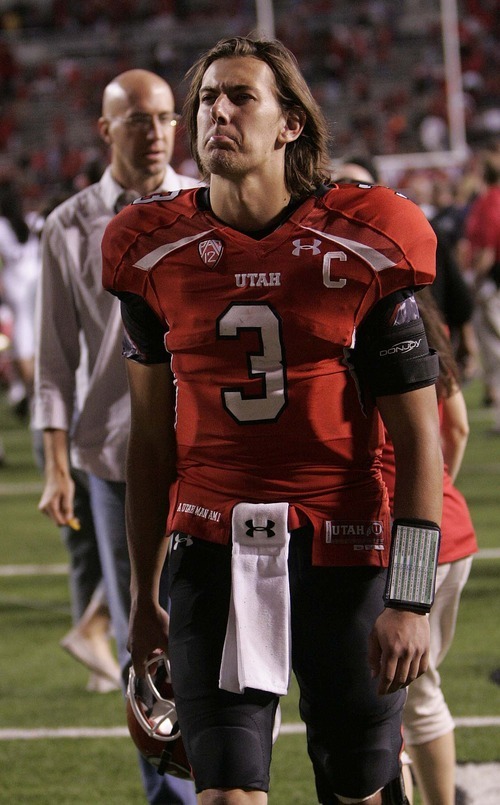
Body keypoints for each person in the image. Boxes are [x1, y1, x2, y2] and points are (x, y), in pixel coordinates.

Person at [102, 37, 443, 805]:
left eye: (240, 96)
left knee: (357, 786)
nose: (217, 111)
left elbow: (420, 440)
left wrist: (411, 598)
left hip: (342, 547)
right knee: (224, 790)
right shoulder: (152, 248)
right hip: (212, 541)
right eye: (207, 99)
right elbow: (151, 443)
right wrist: (142, 594)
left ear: (290, 123)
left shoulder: (363, 239)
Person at [33, 68, 199, 804]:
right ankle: (171, 794)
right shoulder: (66, 226)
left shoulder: (205, 205)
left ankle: (218, 776)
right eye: (139, 119)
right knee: (146, 634)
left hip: (202, 453)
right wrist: (53, 462)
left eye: (166, 117)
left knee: (209, 622)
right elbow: (54, 357)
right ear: (107, 130)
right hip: (111, 459)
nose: (157, 132)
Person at [382, 287, 478, 805]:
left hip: (392, 541)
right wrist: (439, 495)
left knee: (384, 704)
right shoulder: (424, 320)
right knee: (418, 690)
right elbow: (457, 427)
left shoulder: (360, 321)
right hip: (450, 532)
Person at [462, 138, 500, 431]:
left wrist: (473, 283)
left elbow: (487, 250)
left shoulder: (489, 202)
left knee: (494, 351)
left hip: (492, 285)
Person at [0, 177, 42, 417]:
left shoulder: (2, 225)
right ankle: (32, 394)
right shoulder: (29, 221)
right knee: (35, 345)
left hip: (17, 289)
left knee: (23, 348)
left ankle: (34, 396)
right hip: (35, 284)